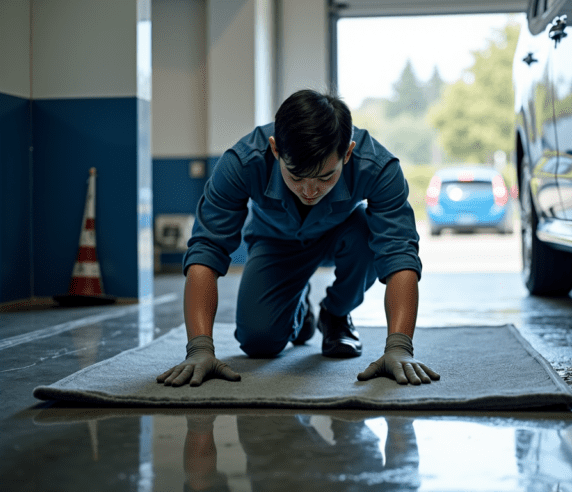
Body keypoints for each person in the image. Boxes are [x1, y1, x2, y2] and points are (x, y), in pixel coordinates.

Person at [156, 89, 440, 388]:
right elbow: (206, 250)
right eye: (296, 177)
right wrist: (199, 348)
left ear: (348, 153)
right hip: (276, 244)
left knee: (366, 236)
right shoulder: (241, 162)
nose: (309, 191)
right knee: (258, 343)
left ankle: (335, 314)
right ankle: (299, 312)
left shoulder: (379, 166)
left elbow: (399, 255)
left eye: (325, 178)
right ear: (275, 149)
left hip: (343, 236)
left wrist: (399, 347)